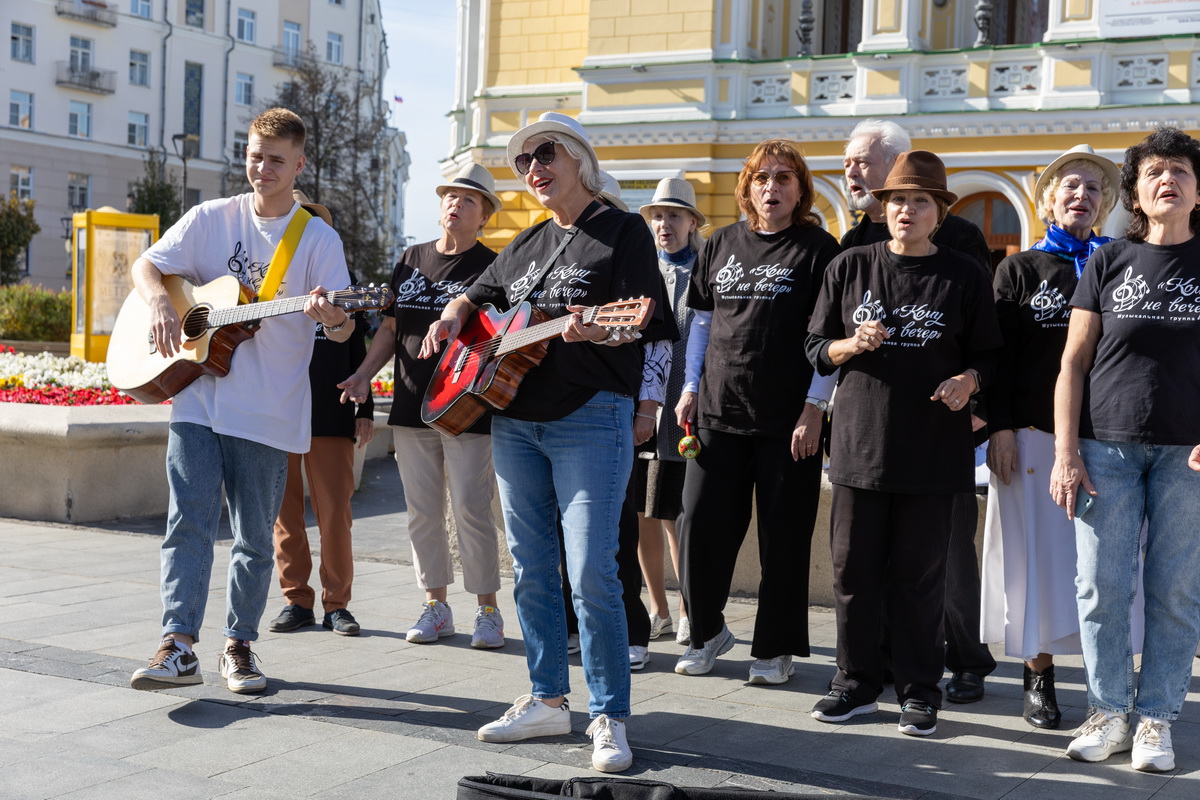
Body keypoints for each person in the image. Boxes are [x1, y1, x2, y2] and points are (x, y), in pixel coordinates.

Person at [420, 112, 669, 773]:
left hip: (591, 419)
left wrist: (595, 330)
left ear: (580, 159)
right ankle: (546, 698)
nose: (533, 166)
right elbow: (478, 294)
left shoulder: (622, 232)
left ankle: (609, 714)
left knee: (591, 571)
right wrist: (452, 319)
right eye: (524, 159)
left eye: (545, 152)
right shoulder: (526, 244)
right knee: (530, 570)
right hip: (514, 422)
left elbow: (643, 325)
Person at [128, 108, 353, 695]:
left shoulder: (317, 239)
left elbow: (346, 329)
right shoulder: (210, 218)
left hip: (268, 411)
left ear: (299, 164)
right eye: (255, 155)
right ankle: (177, 645)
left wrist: (331, 315)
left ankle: (239, 645)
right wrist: (158, 301)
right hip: (197, 401)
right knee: (186, 522)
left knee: (254, 538)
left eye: (276, 159)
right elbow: (147, 265)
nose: (262, 167)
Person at [806, 150, 1002, 737]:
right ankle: (856, 682)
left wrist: (969, 380)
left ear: (938, 213)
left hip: (933, 453)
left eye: (920, 201)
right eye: (897, 200)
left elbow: (990, 355)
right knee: (851, 573)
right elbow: (817, 349)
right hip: (860, 447)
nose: (906, 211)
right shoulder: (849, 266)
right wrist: (850, 345)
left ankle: (921, 689)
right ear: (882, 207)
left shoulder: (964, 275)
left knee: (922, 578)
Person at [1051, 127, 1200, 773]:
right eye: (1154, 172)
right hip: (1103, 451)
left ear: (1199, 189)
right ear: (1137, 191)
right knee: (1101, 589)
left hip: (1187, 458)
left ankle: (1156, 721)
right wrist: (1065, 453)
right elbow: (1073, 364)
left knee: (1174, 592)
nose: (1168, 179)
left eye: (1181, 171)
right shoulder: (1108, 261)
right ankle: (1109, 713)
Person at [673, 139, 840, 685]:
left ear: (801, 189)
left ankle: (774, 648)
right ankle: (705, 633)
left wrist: (816, 407)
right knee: (698, 525)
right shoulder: (719, 243)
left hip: (787, 421)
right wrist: (689, 387)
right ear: (746, 187)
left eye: (784, 178)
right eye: (762, 177)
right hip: (717, 413)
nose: (772, 187)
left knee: (784, 537)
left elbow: (829, 337)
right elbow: (700, 323)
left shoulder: (819, 248)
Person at [979, 145, 1120, 729]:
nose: (1081, 196)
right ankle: (1038, 678)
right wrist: (1002, 429)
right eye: (1070, 187)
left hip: (1108, 439)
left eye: (1092, 188)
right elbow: (997, 359)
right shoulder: (1018, 270)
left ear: (1106, 203)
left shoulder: (1120, 264)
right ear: (1047, 199)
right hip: (1032, 439)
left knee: (1101, 568)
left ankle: (1106, 686)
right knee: (1033, 561)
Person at [340, 164, 505, 649]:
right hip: (412, 407)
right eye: (450, 196)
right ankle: (436, 606)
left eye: (469, 199)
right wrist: (362, 376)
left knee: (473, 510)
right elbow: (390, 330)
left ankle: (488, 612)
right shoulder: (411, 258)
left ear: (485, 216)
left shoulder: (492, 266)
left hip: (466, 409)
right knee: (422, 512)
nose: (456, 204)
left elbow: (499, 336)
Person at [269, 192, 375, 638]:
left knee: (335, 513)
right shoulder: (266, 282)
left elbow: (358, 349)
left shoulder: (341, 280)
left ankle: (337, 605)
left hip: (331, 411)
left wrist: (364, 408)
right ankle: (296, 600)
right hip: (275, 411)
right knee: (285, 514)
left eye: (309, 223)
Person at [636, 178, 707, 648]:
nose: (665, 224)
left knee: (679, 515)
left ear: (693, 223)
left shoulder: (705, 270)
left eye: (674, 215)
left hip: (686, 411)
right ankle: (657, 609)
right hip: (641, 409)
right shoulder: (641, 271)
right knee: (644, 510)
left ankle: (688, 610)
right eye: (658, 216)